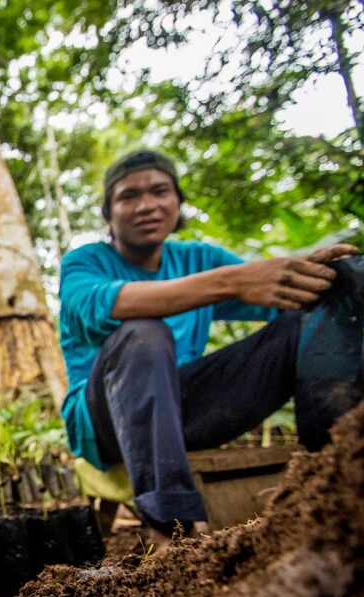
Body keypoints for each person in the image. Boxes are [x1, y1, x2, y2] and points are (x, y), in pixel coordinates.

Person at [58, 150, 361, 547]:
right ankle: (171, 530)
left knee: (334, 295)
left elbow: (277, 297)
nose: (146, 205)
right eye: (128, 196)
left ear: (177, 202)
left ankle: (334, 477)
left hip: (187, 409)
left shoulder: (200, 258)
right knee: (143, 333)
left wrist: (310, 276)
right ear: (108, 212)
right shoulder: (84, 263)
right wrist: (232, 281)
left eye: (159, 191)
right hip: (108, 424)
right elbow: (101, 306)